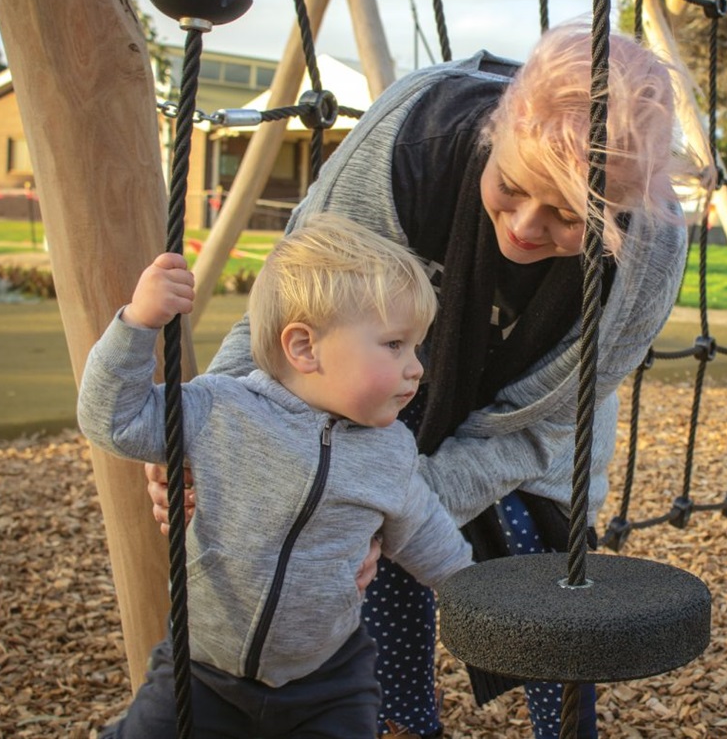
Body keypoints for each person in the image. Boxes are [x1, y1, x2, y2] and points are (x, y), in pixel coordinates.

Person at [148, 20, 689, 738]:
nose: (526, 226)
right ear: (499, 131)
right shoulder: (413, 145)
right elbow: (291, 310)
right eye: (513, 187)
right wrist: (213, 440)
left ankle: (562, 726)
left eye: (566, 218)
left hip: (526, 431)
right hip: (378, 385)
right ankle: (400, 721)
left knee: (543, 565)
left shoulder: (648, 253)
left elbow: (545, 426)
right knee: (361, 558)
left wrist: (396, 496)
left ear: (621, 211)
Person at [80, 213, 474, 738]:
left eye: (417, 346)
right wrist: (138, 324)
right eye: (394, 345)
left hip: (328, 679)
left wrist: (479, 597)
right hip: (203, 669)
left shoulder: (391, 451)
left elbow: (429, 537)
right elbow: (113, 421)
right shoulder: (218, 411)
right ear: (305, 348)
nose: (417, 366)